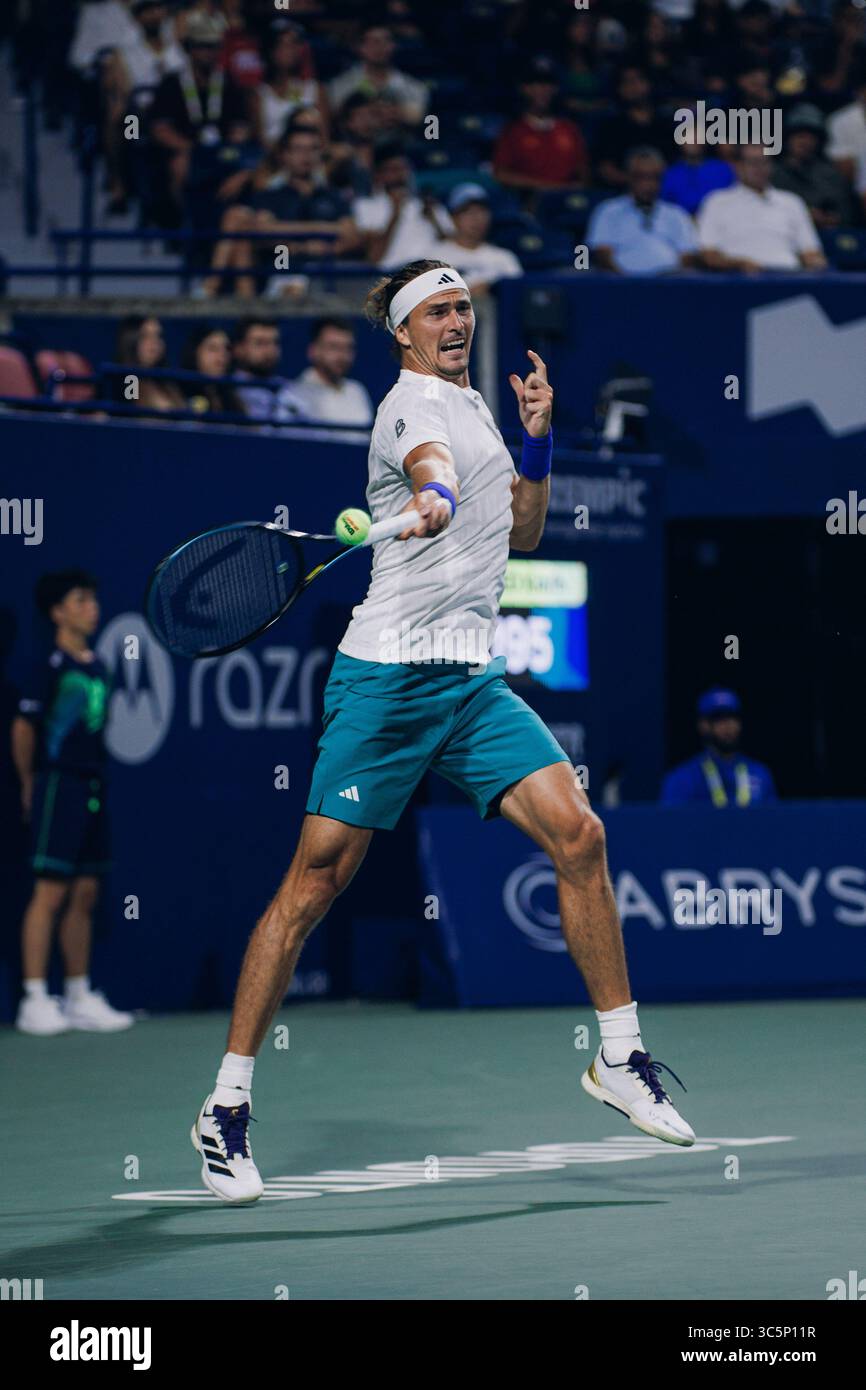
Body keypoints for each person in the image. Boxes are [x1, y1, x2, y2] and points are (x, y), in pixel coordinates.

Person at [190, 258, 696, 1204]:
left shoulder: (483, 416)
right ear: (405, 331)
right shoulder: (407, 408)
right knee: (312, 886)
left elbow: (529, 533)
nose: (458, 320)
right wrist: (433, 495)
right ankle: (225, 1108)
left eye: (465, 306)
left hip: (469, 678)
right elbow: (427, 467)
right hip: (386, 681)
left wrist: (537, 442)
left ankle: (620, 1056)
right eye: (439, 310)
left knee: (581, 833)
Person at [11, 571, 134, 1036]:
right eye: (80, 600)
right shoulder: (47, 664)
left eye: (93, 598)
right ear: (57, 611)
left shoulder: (98, 665)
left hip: (93, 786)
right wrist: (30, 784)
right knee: (50, 893)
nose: (92, 607)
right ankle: (36, 997)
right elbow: (23, 731)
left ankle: (79, 994)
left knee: (85, 893)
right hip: (56, 786)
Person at [204, 123, 355, 298]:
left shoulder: (333, 196)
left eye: (312, 149)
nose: (305, 156)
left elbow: (351, 236)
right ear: (285, 155)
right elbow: (262, 231)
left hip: (323, 274)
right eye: (298, 149)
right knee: (281, 256)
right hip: (282, 266)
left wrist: (297, 244)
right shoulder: (269, 196)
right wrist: (326, 229)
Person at [148, 11, 250, 221]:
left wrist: (230, 147)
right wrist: (189, 148)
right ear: (189, 49)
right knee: (180, 166)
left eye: (213, 46)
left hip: (222, 150)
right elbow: (160, 129)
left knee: (245, 167)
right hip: (187, 149)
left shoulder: (229, 82)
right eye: (201, 46)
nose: (208, 52)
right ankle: (184, 225)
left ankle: (223, 224)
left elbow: (241, 126)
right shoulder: (172, 83)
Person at [698, 143, 828, 271]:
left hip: (788, 279)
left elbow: (810, 251)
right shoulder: (716, 202)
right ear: (737, 166)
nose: (760, 168)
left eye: (764, 162)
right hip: (737, 280)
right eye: (753, 162)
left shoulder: (792, 202)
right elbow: (709, 254)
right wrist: (738, 264)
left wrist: (815, 262)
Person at [588, 147, 699, 273]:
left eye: (654, 177)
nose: (648, 184)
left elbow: (688, 255)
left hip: (668, 286)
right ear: (628, 177)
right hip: (621, 286)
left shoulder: (677, 214)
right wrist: (626, 283)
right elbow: (602, 253)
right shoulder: (608, 211)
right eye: (641, 177)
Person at [661, 688, 777, 806]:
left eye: (733, 717)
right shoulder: (683, 779)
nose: (729, 726)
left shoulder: (760, 774)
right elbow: (672, 822)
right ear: (703, 725)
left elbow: (774, 821)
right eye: (719, 719)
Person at [492, 55, 589, 195]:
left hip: (566, 202)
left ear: (555, 89)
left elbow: (583, 174)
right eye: (535, 83)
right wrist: (545, 188)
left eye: (547, 84)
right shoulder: (513, 131)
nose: (542, 90)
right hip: (527, 201)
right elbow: (501, 175)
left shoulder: (569, 129)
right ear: (524, 88)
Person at [352, 144, 452, 269]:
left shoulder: (428, 204)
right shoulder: (367, 206)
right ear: (379, 175)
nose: (401, 174)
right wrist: (395, 214)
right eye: (393, 170)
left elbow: (453, 247)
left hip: (431, 274)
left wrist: (433, 220)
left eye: (404, 169)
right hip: (391, 276)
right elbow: (374, 257)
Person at [327, 24, 428, 131]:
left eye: (386, 41)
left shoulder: (414, 86)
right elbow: (335, 116)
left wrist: (395, 114)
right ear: (360, 47)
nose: (380, 47)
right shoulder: (340, 84)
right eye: (373, 42)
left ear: (394, 45)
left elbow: (417, 118)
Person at [772, 102, 856, 228]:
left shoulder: (831, 175)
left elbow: (849, 214)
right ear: (787, 138)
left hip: (829, 236)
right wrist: (805, 215)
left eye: (811, 137)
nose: (806, 142)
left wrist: (832, 219)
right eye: (800, 136)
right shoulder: (771, 173)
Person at [433, 184, 523, 294]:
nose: (477, 218)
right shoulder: (434, 258)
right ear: (453, 218)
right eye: (468, 212)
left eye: (482, 211)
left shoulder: (504, 257)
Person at [289, 318, 374, 426]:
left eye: (348, 348)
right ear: (313, 351)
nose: (342, 356)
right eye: (334, 347)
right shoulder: (296, 394)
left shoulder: (357, 391)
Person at [230, 316, 307, 422]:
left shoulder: (288, 388)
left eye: (274, 343)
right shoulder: (230, 391)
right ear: (239, 349)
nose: (270, 351)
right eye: (260, 343)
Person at [113, 314, 186, 412]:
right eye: (145, 336)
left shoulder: (166, 380)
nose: (154, 342)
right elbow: (130, 417)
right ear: (130, 340)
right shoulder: (130, 379)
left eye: (158, 336)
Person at [179, 324, 245, 416]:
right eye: (213, 348)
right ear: (195, 352)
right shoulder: (179, 391)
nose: (222, 355)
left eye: (227, 349)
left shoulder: (233, 395)